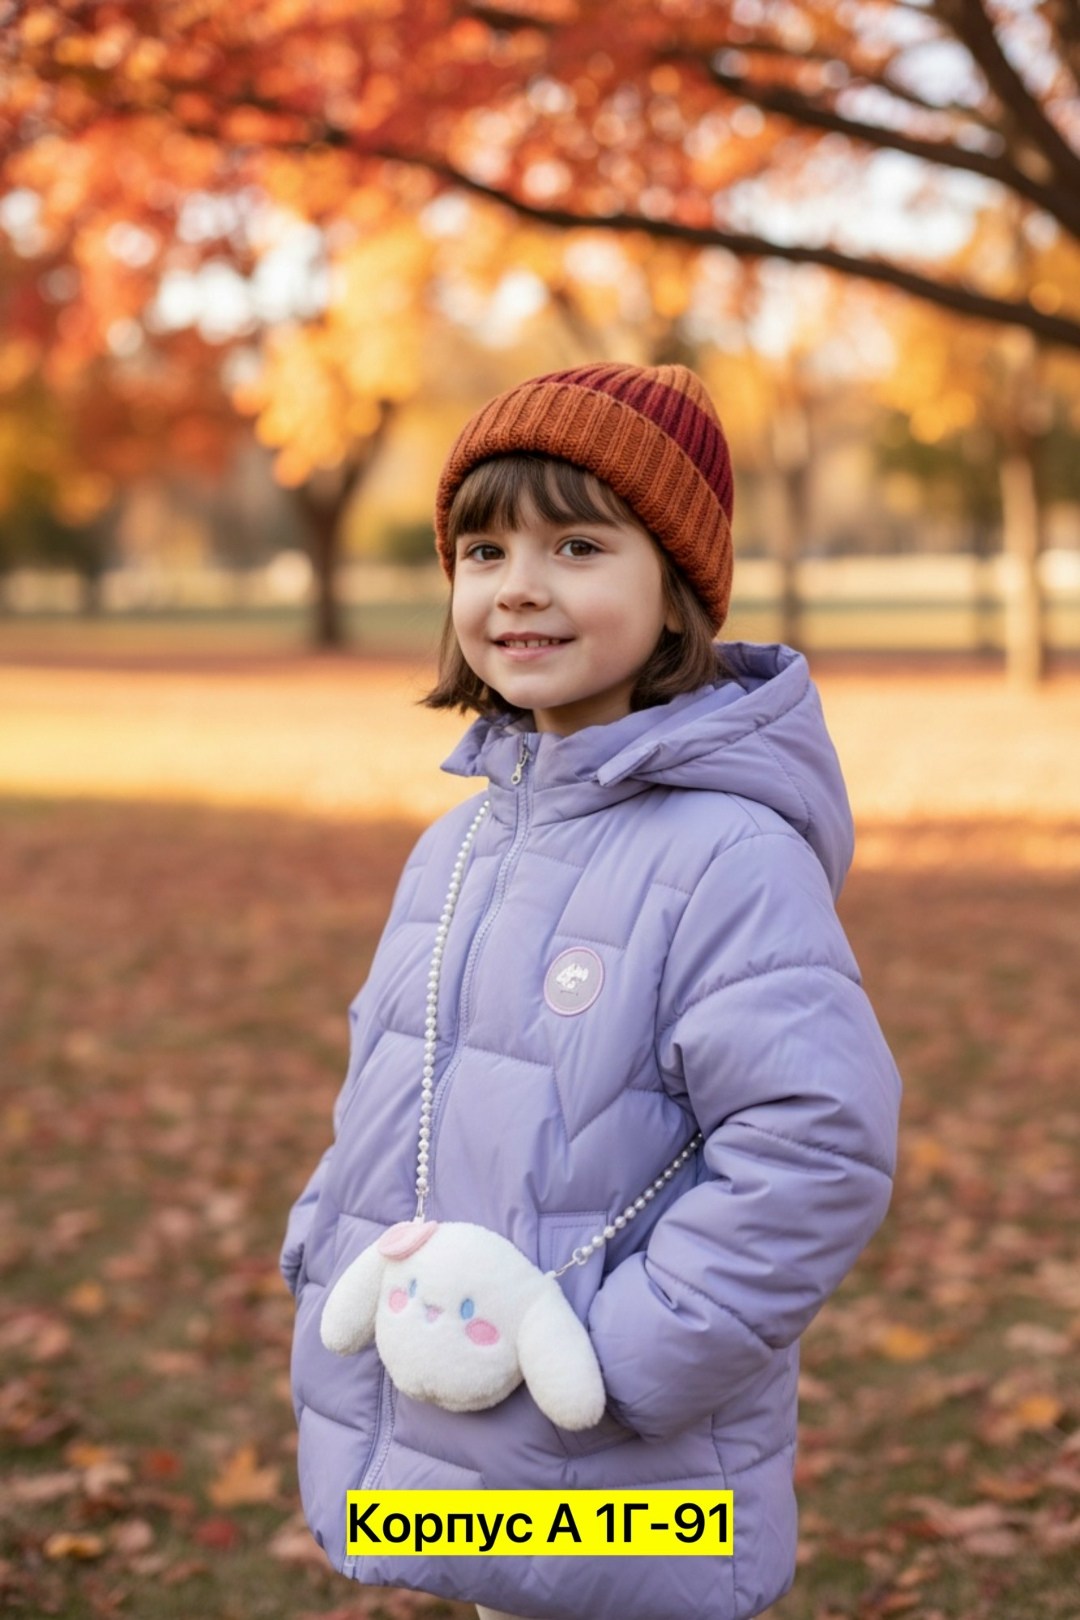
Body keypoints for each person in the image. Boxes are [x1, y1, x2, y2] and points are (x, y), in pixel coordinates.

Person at [281, 362, 902, 1620]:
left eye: (577, 544)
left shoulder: (728, 858)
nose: (519, 585)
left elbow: (818, 1145)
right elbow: (396, 1088)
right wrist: (324, 1252)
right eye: (481, 548)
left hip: (626, 1444)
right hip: (459, 1410)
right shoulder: (453, 849)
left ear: (676, 596)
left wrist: (617, 1360)